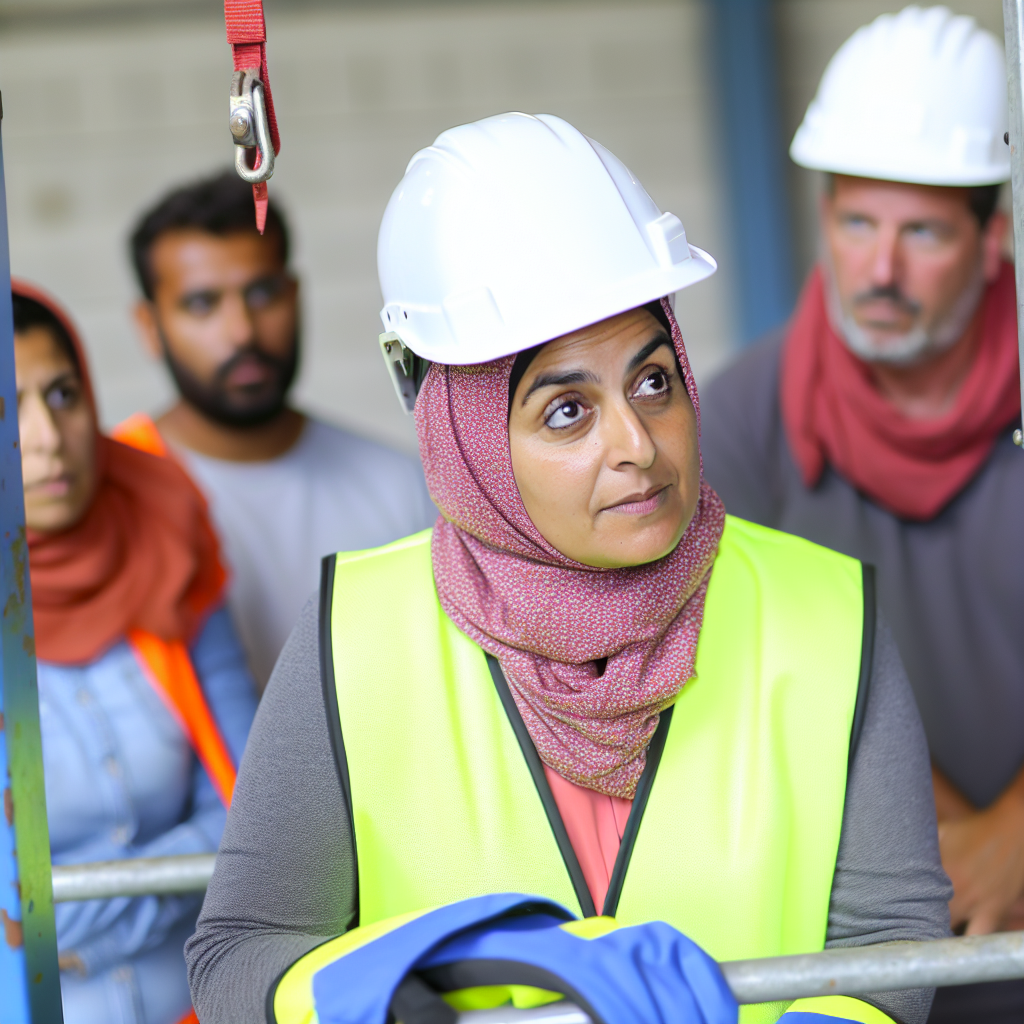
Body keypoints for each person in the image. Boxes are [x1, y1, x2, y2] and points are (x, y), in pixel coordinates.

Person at [185, 113, 950, 1024]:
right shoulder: (354, 634)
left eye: (654, 382)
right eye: (566, 412)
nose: (638, 444)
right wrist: (406, 986)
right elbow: (241, 953)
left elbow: (889, 943)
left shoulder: (829, 613)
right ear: (466, 436)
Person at [697, 9, 1019, 1023]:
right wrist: (951, 841)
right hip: (860, 953)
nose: (879, 271)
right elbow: (743, 673)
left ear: (993, 238)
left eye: (921, 232)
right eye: (855, 223)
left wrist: (1018, 828)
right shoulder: (735, 426)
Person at [15, 280, 258, 1024]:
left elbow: (253, 808)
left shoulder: (162, 533)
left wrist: (63, 916)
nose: (46, 437)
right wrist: (185, 875)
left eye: (62, 395)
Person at [124, 172, 436, 690]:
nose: (242, 331)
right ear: (148, 326)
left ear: (294, 296)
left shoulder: (402, 484)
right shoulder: (115, 496)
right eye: (202, 304)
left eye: (263, 293)